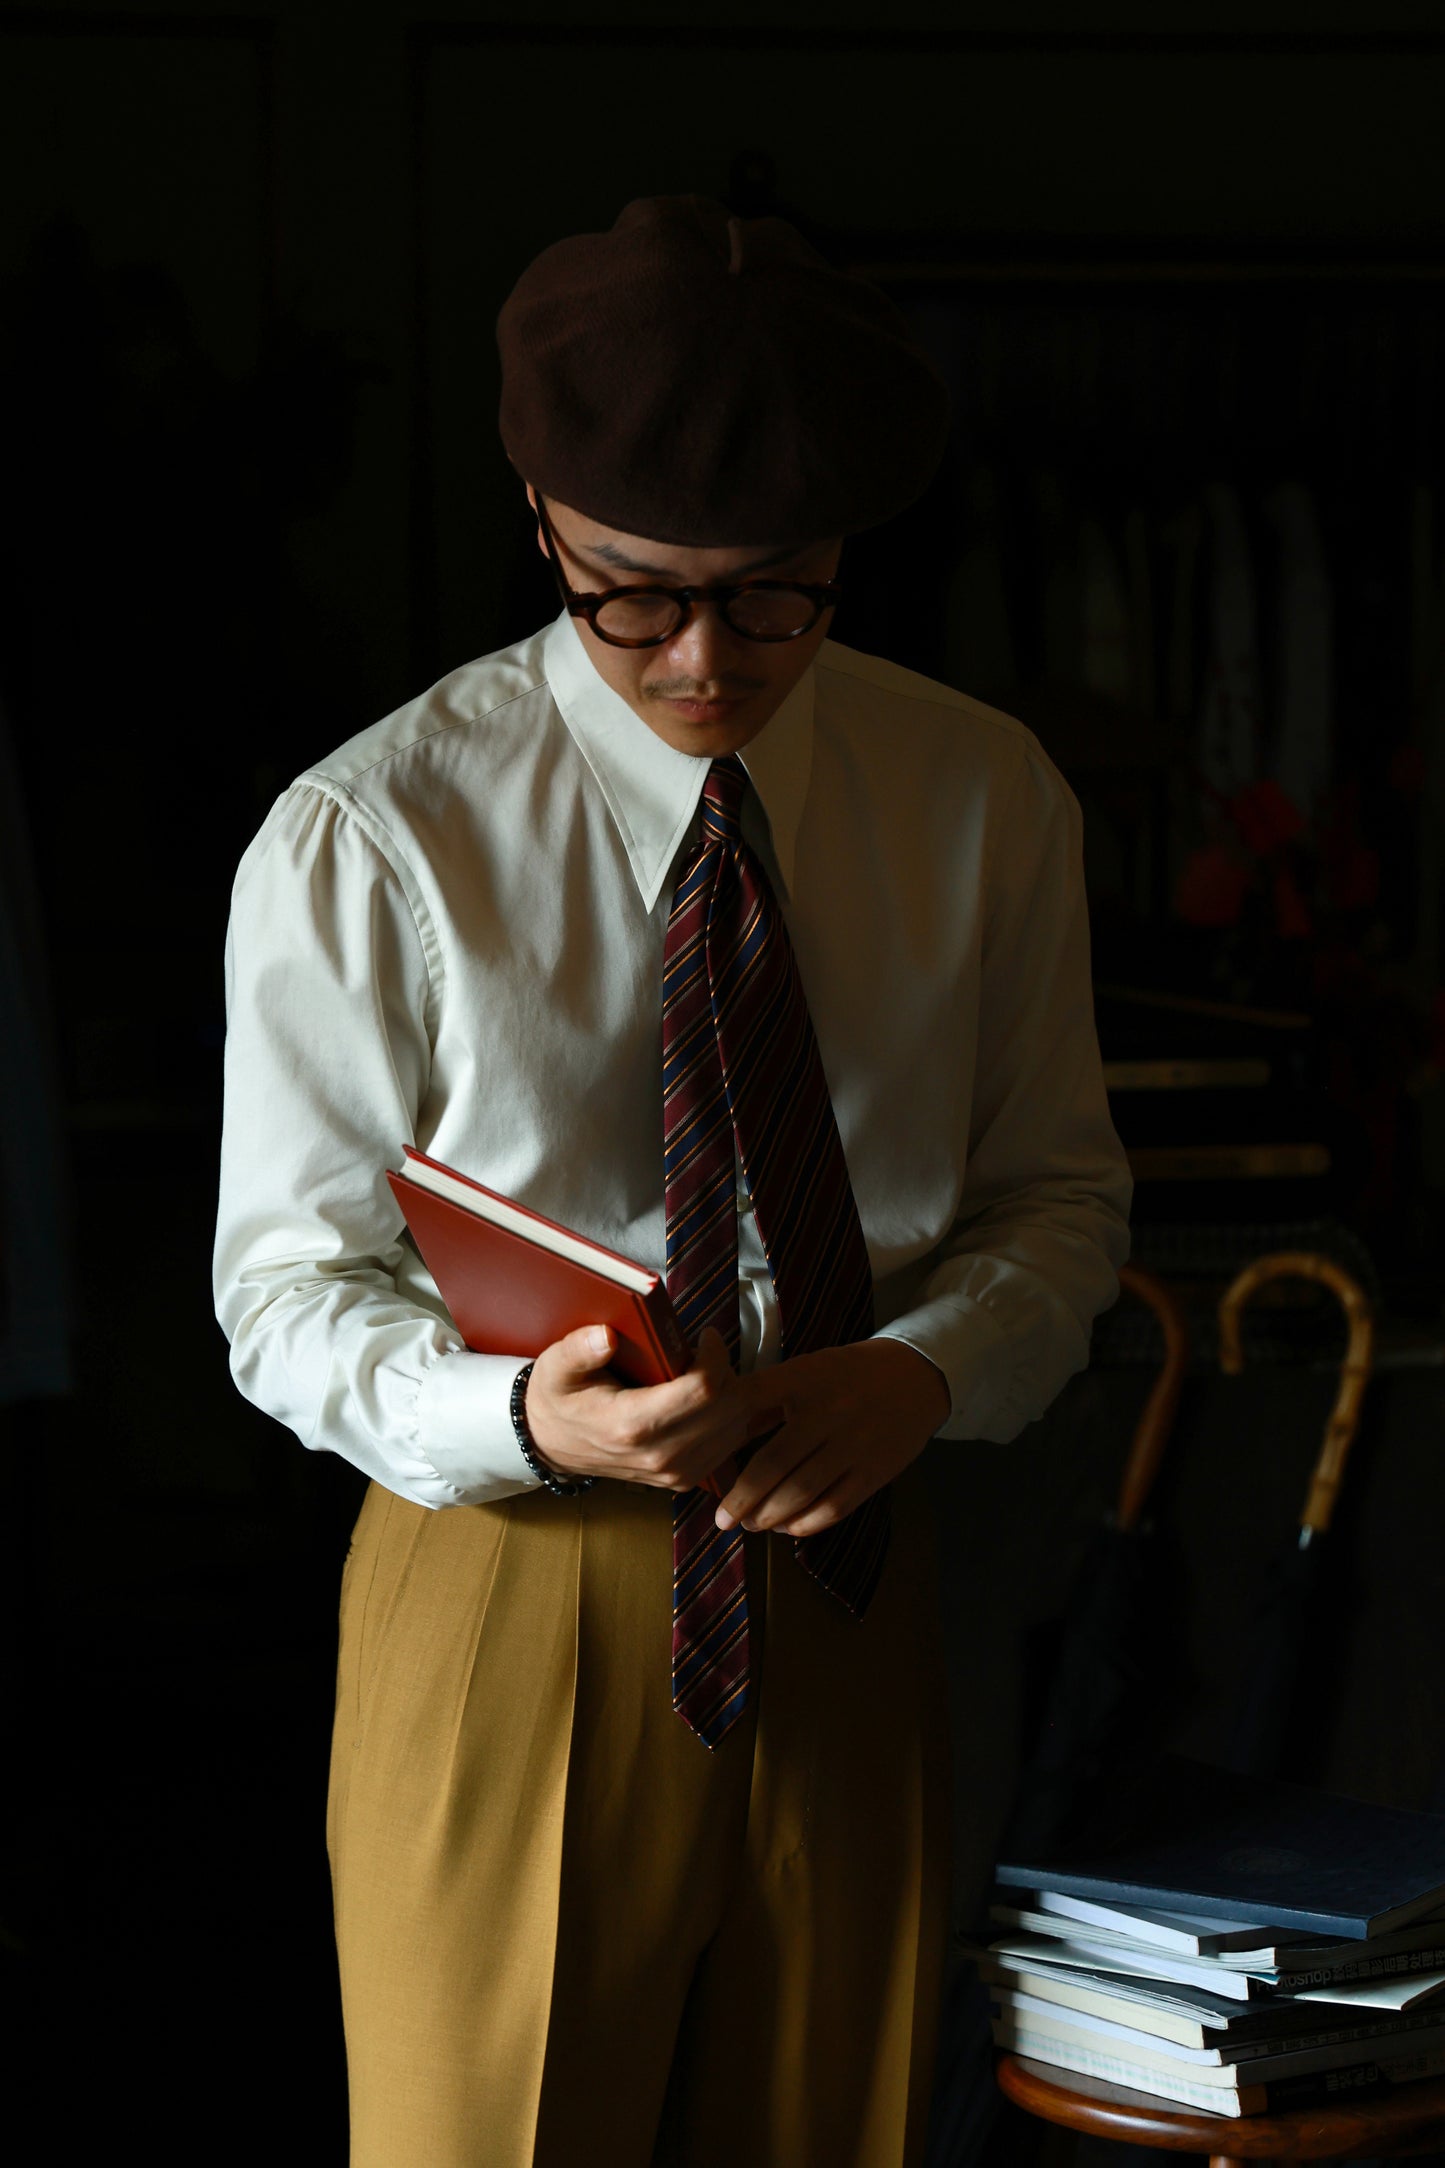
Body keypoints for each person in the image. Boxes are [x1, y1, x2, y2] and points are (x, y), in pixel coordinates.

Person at [213, 194, 1131, 2168]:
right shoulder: (373, 836)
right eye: (634, 593)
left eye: (775, 591)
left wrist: (929, 1372)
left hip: (854, 1576)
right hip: (515, 1583)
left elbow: (1062, 1203)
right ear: (542, 523)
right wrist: (510, 1410)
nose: (708, 658)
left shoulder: (983, 801)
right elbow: (282, 1294)